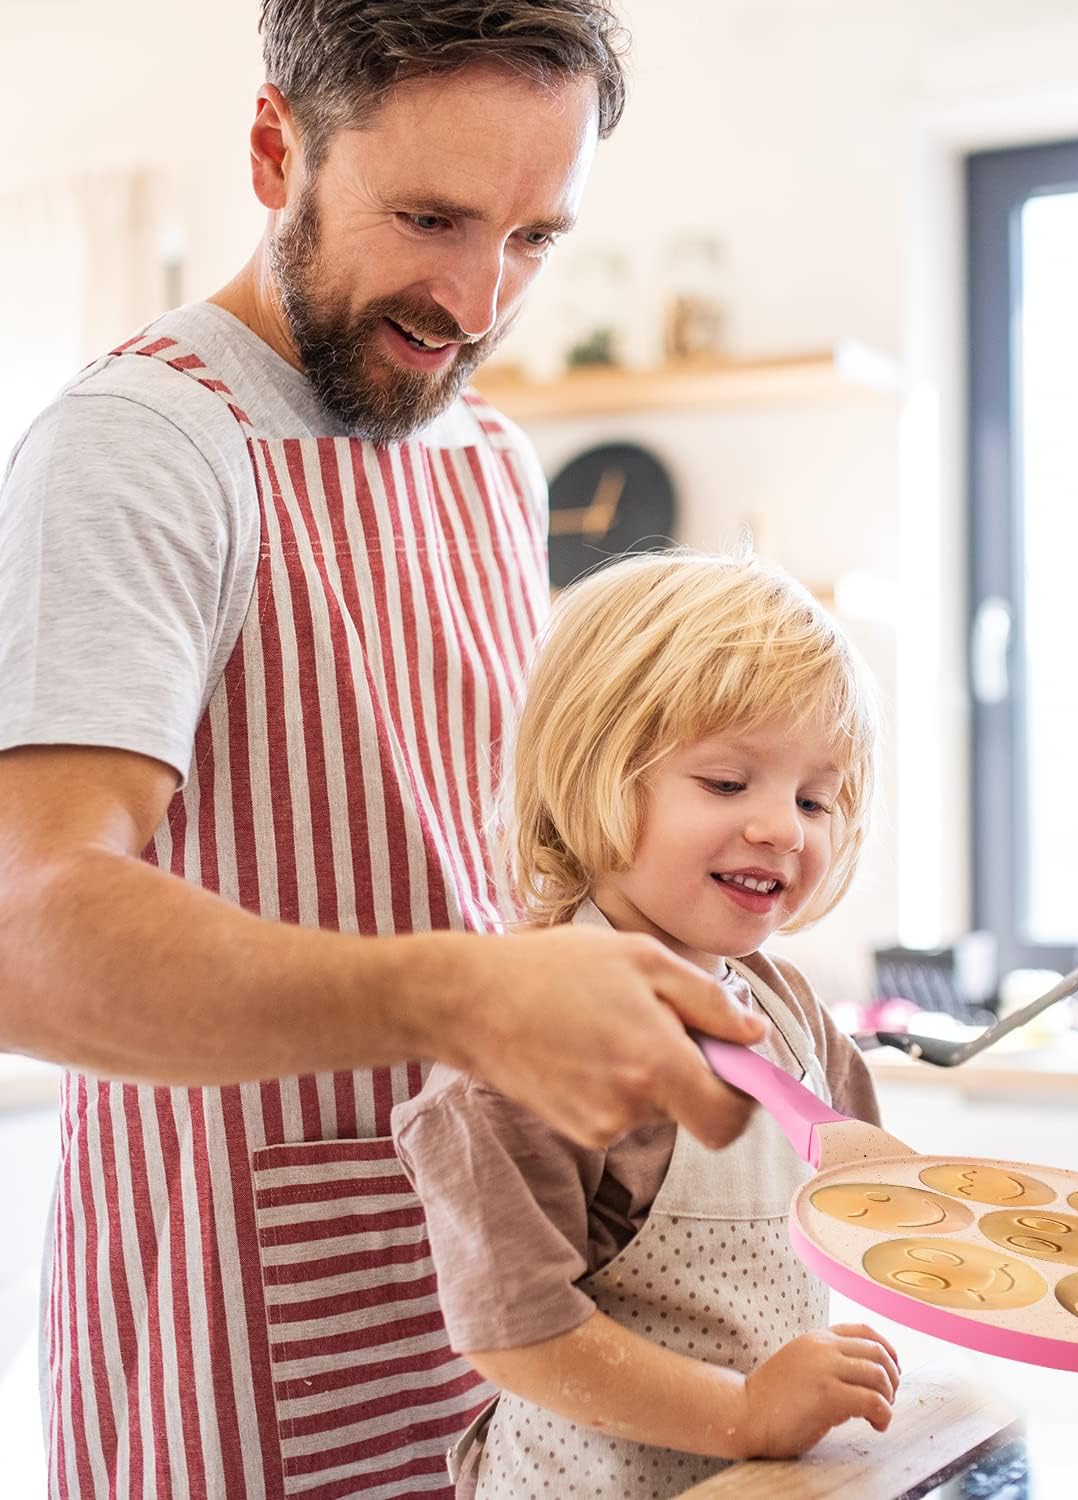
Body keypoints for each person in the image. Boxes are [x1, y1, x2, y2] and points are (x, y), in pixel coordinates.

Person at [0, 5, 768, 1496]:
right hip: (232, 1324)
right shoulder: (145, 445)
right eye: (429, 218)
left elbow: (491, 862)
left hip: (501, 1303)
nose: (476, 302)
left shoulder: (489, 458)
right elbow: (24, 932)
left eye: (537, 238)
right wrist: (468, 1001)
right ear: (276, 146)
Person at [392, 550, 902, 1498]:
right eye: (725, 783)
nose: (782, 830)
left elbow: (876, 1195)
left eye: (813, 798)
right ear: (592, 772)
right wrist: (745, 1410)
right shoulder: (521, 1047)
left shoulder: (788, 1011)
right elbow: (518, 1335)